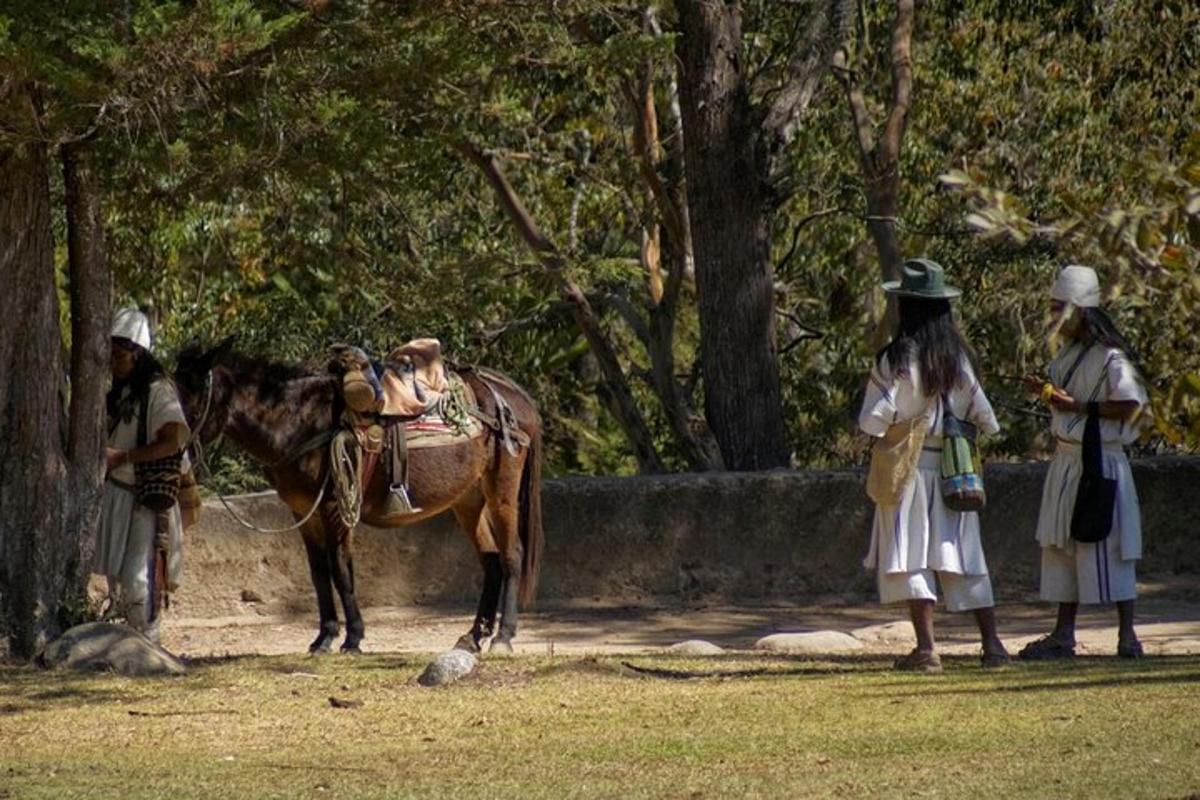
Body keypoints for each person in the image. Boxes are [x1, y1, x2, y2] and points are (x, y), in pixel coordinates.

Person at [859, 259, 1010, 673]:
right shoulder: (958, 361)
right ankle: (992, 644)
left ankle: (927, 649)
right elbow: (989, 420)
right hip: (953, 469)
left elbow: (870, 421)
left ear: (905, 307)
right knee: (963, 554)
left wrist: (903, 412)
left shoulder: (894, 361)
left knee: (911, 556)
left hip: (906, 471)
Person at [1019, 265, 1147, 659]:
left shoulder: (1112, 357)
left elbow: (1130, 404)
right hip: (1067, 460)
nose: (1054, 318)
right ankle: (1063, 634)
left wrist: (1077, 405)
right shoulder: (1070, 355)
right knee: (1062, 545)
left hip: (1101, 461)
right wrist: (1048, 394)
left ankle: (1127, 635)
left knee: (1110, 544)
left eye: (1060, 309)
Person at [93, 308, 190, 643]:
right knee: (118, 581)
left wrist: (123, 457)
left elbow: (173, 440)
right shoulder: (119, 394)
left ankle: (149, 646)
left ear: (138, 354)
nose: (114, 363)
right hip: (118, 495)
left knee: (139, 579)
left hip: (144, 498)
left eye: (119, 356)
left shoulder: (158, 391)